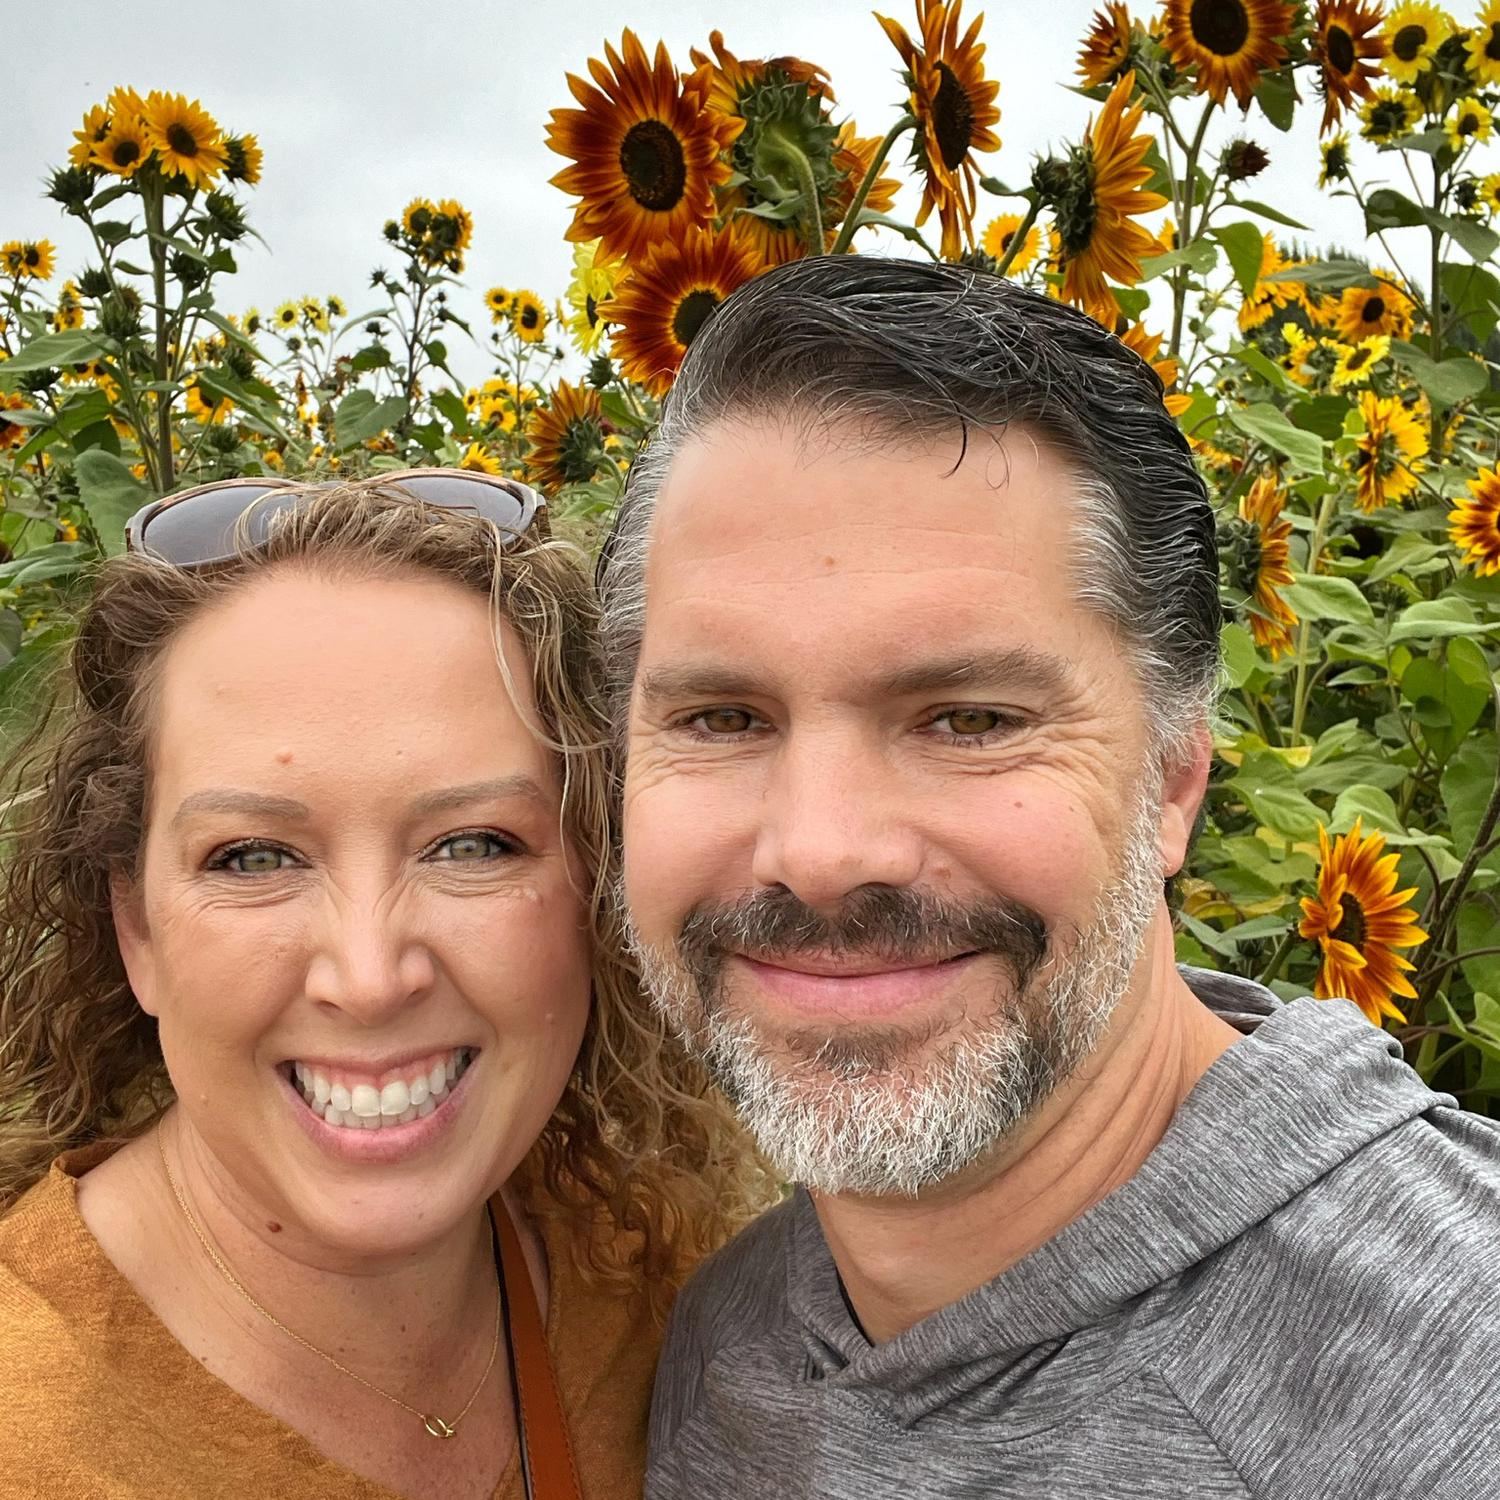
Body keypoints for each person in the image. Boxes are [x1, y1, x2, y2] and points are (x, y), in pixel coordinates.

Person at [596, 257, 1500, 1498]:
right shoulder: (719, 1345)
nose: (817, 852)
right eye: (719, 718)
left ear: (1176, 778)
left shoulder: (1448, 1380)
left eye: (968, 719)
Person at [0, 474, 759, 1499]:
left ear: (600, 887)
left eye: (473, 844)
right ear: (135, 927)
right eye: (253, 858)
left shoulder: (668, 1308)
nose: (368, 978)